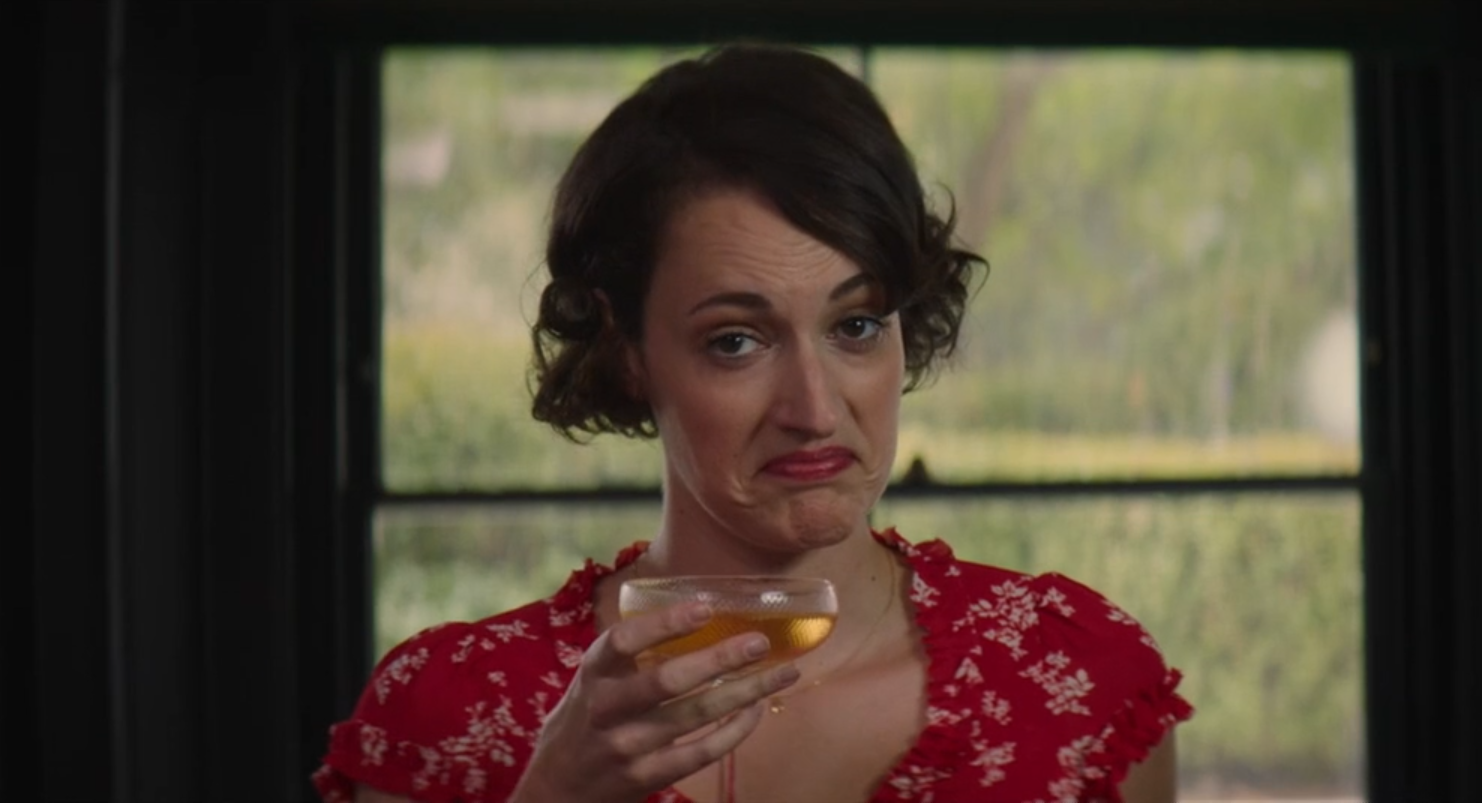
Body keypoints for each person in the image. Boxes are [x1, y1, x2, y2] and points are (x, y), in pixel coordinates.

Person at [315, 44, 1193, 803]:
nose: (814, 409)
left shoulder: (1080, 684)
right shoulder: (447, 711)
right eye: (735, 340)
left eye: (856, 325)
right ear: (625, 349)